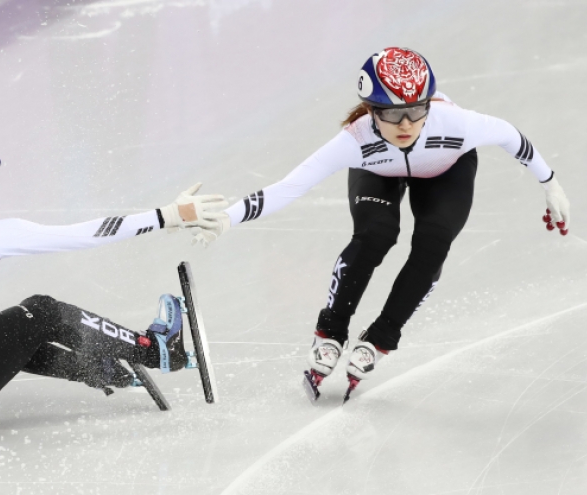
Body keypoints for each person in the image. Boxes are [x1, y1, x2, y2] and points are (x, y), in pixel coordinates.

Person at [188, 47, 571, 391]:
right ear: (371, 110)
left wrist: (550, 184)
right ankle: (331, 331)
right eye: (391, 113)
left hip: (445, 170)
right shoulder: (355, 140)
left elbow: (512, 138)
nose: (406, 124)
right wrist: (228, 218)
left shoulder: (456, 124)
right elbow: (288, 188)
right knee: (376, 233)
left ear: (428, 105)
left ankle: (381, 338)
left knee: (434, 241)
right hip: (380, 171)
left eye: (416, 110)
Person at [0, 128, 228, 429]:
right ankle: (157, 350)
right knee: (42, 312)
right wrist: (170, 215)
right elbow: (88, 233)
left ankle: (88, 367)